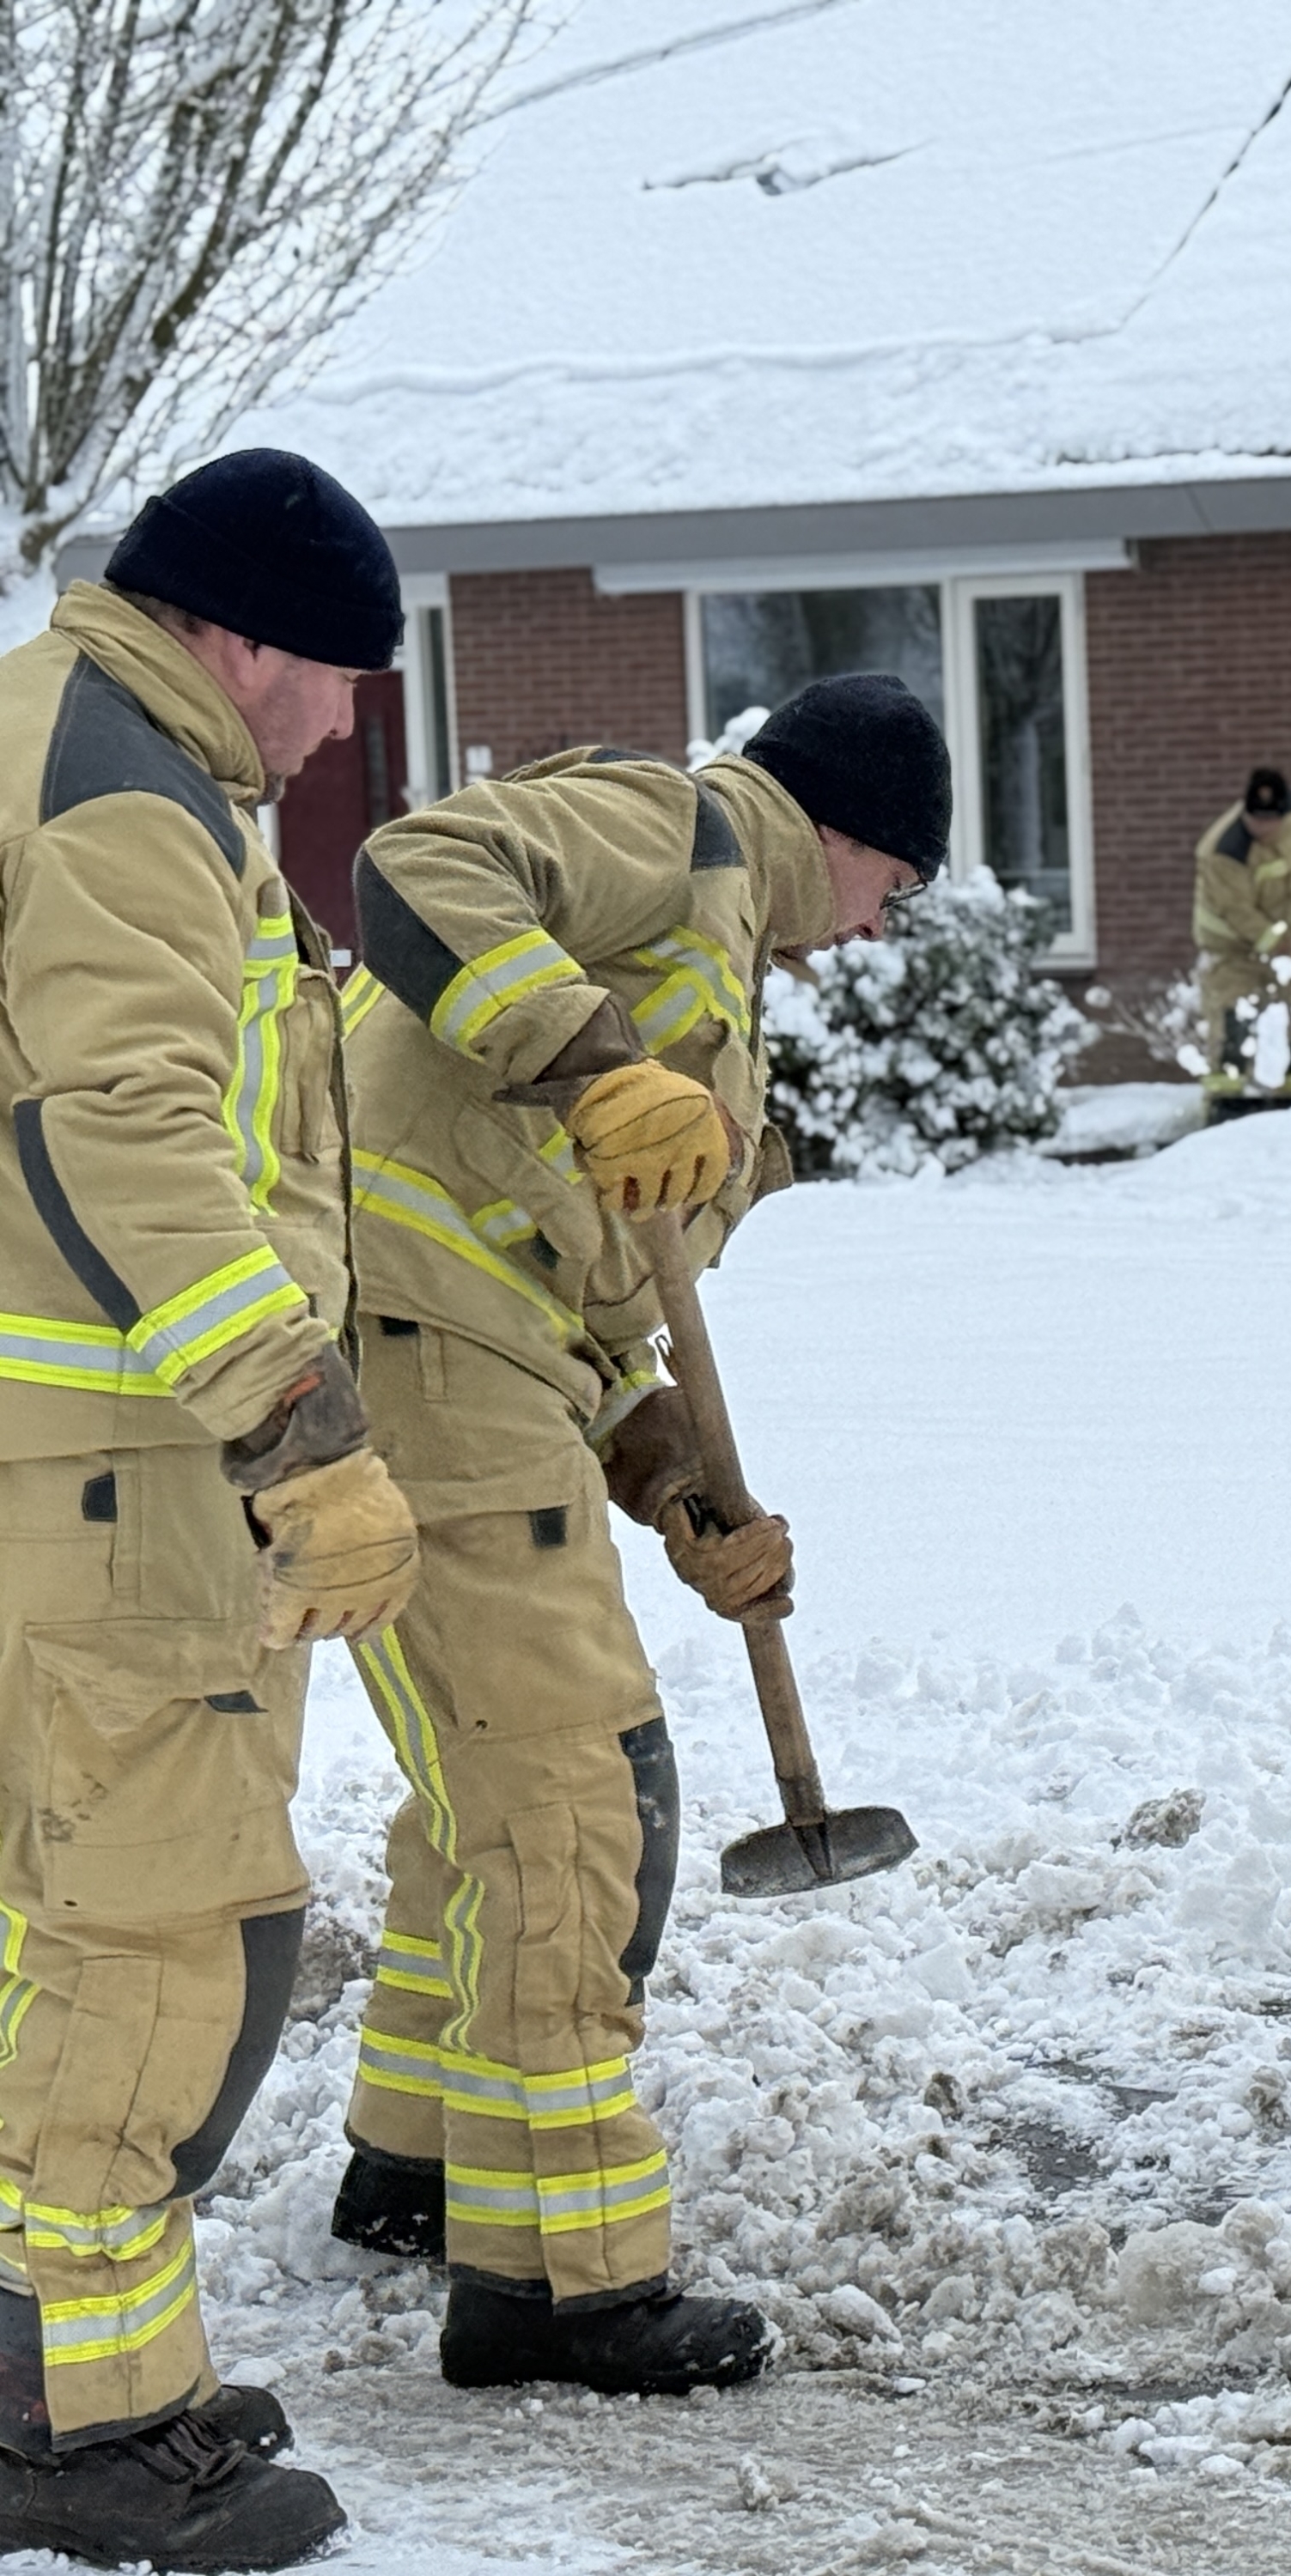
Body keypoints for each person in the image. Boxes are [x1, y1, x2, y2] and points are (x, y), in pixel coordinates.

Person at [323, 673, 947, 2397]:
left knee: (481, 1798)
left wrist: (676, 1483)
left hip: (480, 1347)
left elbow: (595, 1298)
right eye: (895, 885)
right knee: (578, 1797)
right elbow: (417, 867)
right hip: (422, 1335)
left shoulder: (723, 945)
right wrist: (601, 1064)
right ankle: (556, 2282)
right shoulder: (672, 830)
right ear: (840, 833)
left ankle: (417, 2165)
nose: (876, 929)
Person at [0, 449, 423, 2568]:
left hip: (48, 1452)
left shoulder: (50, 726)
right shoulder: (131, 794)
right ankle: (72, 2422)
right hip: (126, 1460)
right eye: (335, 675)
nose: (345, 724)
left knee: (46, 1924)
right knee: (171, 1931)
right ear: (237, 635)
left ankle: (66, 2370)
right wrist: (298, 1422)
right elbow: (132, 1132)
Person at [1192, 768, 1291, 1119]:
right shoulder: (1223, 851)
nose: (1263, 829)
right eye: (1255, 820)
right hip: (1231, 947)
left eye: (1270, 821)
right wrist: (1290, 949)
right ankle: (1225, 1107)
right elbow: (1239, 913)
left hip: (1283, 933)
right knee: (1234, 1020)